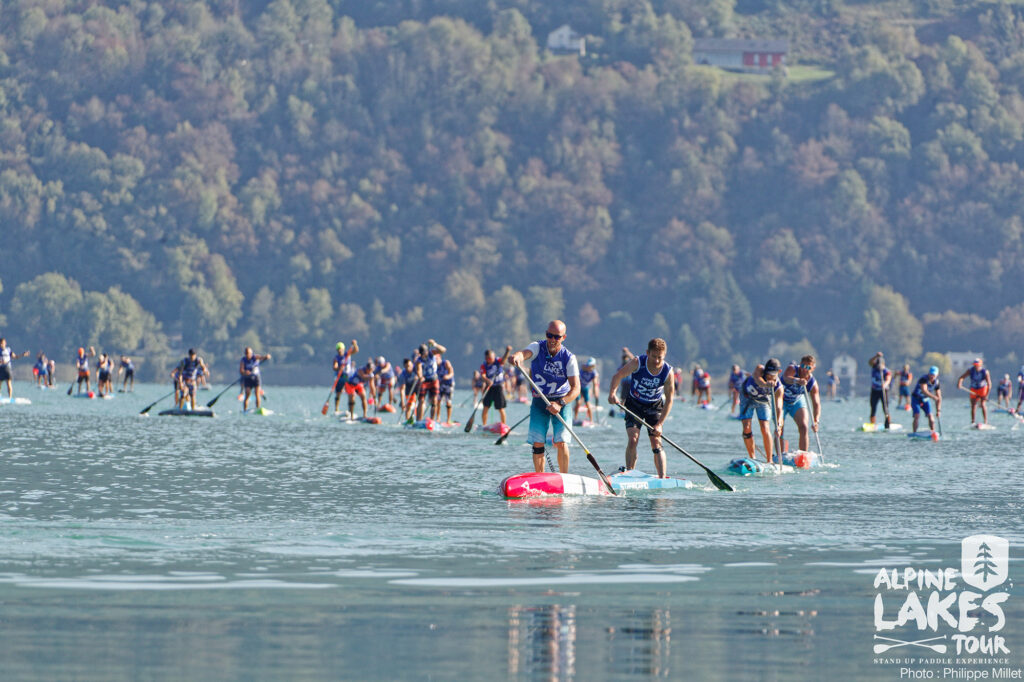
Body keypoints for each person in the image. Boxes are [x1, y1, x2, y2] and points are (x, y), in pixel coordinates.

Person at [509, 320, 580, 474]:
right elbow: (524, 353)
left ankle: (564, 477)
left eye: (557, 337)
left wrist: (560, 403)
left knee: (561, 442)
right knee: (538, 443)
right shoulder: (537, 347)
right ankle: (540, 477)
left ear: (563, 338)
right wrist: (517, 357)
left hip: (561, 401)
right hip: (539, 400)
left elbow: (576, 389)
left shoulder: (569, 358)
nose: (552, 340)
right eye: (549, 335)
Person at [607, 338, 674, 478]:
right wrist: (612, 393)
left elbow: (669, 400)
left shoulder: (668, 372)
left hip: (654, 406)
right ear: (647, 353)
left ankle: (662, 478)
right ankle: (629, 473)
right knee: (633, 439)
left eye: (660, 358)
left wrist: (660, 424)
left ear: (664, 356)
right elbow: (617, 376)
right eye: (653, 356)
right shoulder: (638, 362)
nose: (656, 361)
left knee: (656, 442)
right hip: (634, 404)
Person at [738, 359, 783, 463]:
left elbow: (779, 408)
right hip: (747, 397)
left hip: (763, 401)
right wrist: (766, 384)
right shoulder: (759, 369)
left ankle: (769, 460)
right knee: (746, 427)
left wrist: (779, 425)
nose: (769, 376)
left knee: (765, 427)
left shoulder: (779, 388)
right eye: (767, 373)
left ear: (778, 372)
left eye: (772, 374)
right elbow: (759, 380)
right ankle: (752, 458)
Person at [779, 355, 821, 453]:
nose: (804, 369)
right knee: (779, 428)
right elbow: (786, 378)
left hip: (796, 401)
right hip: (781, 401)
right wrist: (797, 380)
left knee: (804, 427)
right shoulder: (792, 369)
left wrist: (816, 421)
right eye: (803, 366)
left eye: (808, 367)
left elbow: (816, 404)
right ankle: (779, 455)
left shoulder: (812, 383)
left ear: (813, 368)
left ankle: (803, 455)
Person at [414, 340, 447, 421]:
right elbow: (418, 370)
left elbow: (443, 350)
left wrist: (435, 344)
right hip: (424, 381)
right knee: (421, 400)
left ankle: (432, 420)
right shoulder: (418, 360)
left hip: (434, 380)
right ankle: (419, 420)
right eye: (421, 354)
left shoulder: (431, 353)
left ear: (426, 351)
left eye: (424, 353)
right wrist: (420, 377)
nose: (423, 356)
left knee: (434, 401)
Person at [480, 346, 511, 427]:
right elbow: (483, 376)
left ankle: (504, 426)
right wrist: (487, 380)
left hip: (498, 387)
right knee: (485, 408)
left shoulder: (498, 361)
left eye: (491, 357)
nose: (490, 359)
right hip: (489, 388)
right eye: (488, 358)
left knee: (501, 408)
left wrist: (507, 351)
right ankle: (484, 426)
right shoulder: (484, 365)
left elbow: (504, 359)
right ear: (486, 358)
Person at [957, 358, 991, 426]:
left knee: (983, 404)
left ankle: (985, 421)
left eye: (977, 365)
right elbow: (961, 377)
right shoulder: (970, 370)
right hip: (974, 388)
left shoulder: (985, 372)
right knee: (973, 405)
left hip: (982, 388)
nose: (976, 366)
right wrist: (959, 383)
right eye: (975, 365)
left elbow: (989, 384)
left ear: (980, 365)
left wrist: (986, 396)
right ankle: (973, 422)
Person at [911, 366, 942, 435]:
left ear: (937, 375)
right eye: (931, 374)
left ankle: (933, 432)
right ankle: (914, 433)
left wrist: (938, 410)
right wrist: (933, 397)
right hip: (916, 398)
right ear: (928, 373)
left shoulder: (937, 383)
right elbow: (924, 390)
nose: (932, 376)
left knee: (930, 416)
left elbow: (939, 397)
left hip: (925, 399)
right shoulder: (923, 379)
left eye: (933, 375)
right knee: (917, 415)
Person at [331, 341, 360, 417]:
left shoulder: (347, 354)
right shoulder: (336, 358)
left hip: (348, 377)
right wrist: (338, 368)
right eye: (338, 349)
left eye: (341, 349)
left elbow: (356, 350)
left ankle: (350, 411)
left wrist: (354, 344)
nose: (340, 351)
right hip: (340, 377)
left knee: (350, 394)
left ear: (343, 349)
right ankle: (336, 409)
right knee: (338, 393)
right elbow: (334, 367)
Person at [239, 346, 271, 412]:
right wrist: (245, 372)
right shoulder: (243, 360)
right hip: (248, 378)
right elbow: (241, 370)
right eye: (247, 354)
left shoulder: (255, 357)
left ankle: (258, 409)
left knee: (257, 393)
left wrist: (266, 357)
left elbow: (262, 358)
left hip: (256, 378)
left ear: (251, 353)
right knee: (247, 394)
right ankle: (244, 410)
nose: (248, 355)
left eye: (249, 353)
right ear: (245, 354)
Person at [867, 352, 892, 427]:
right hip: (874, 390)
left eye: (880, 365)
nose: (878, 366)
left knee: (885, 408)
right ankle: (872, 424)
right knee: (873, 408)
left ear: (883, 364)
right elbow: (870, 362)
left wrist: (885, 384)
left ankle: (887, 423)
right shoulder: (874, 367)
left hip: (883, 391)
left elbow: (888, 379)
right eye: (877, 364)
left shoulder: (886, 371)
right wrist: (876, 356)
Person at [574, 357, 600, 423]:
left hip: (585, 388)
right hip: (578, 388)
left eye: (591, 366)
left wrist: (596, 394)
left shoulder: (594, 373)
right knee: (578, 403)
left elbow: (595, 384)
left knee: (588, 404)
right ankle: (575, 419)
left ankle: (591, 421)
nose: (589, 367)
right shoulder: (582, 369)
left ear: (593, 366)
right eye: (588, 365)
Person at [437, 352, 455, 423]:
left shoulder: (445, 363)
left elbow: (452, 372)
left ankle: (448, 419)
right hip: (440, 384)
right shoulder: (434, 365)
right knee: (438, 401)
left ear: (440, 357)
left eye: (437, 358)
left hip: (448, 384)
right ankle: (438, 418)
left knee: (448, 402)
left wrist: (448, 376)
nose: (436, 360)